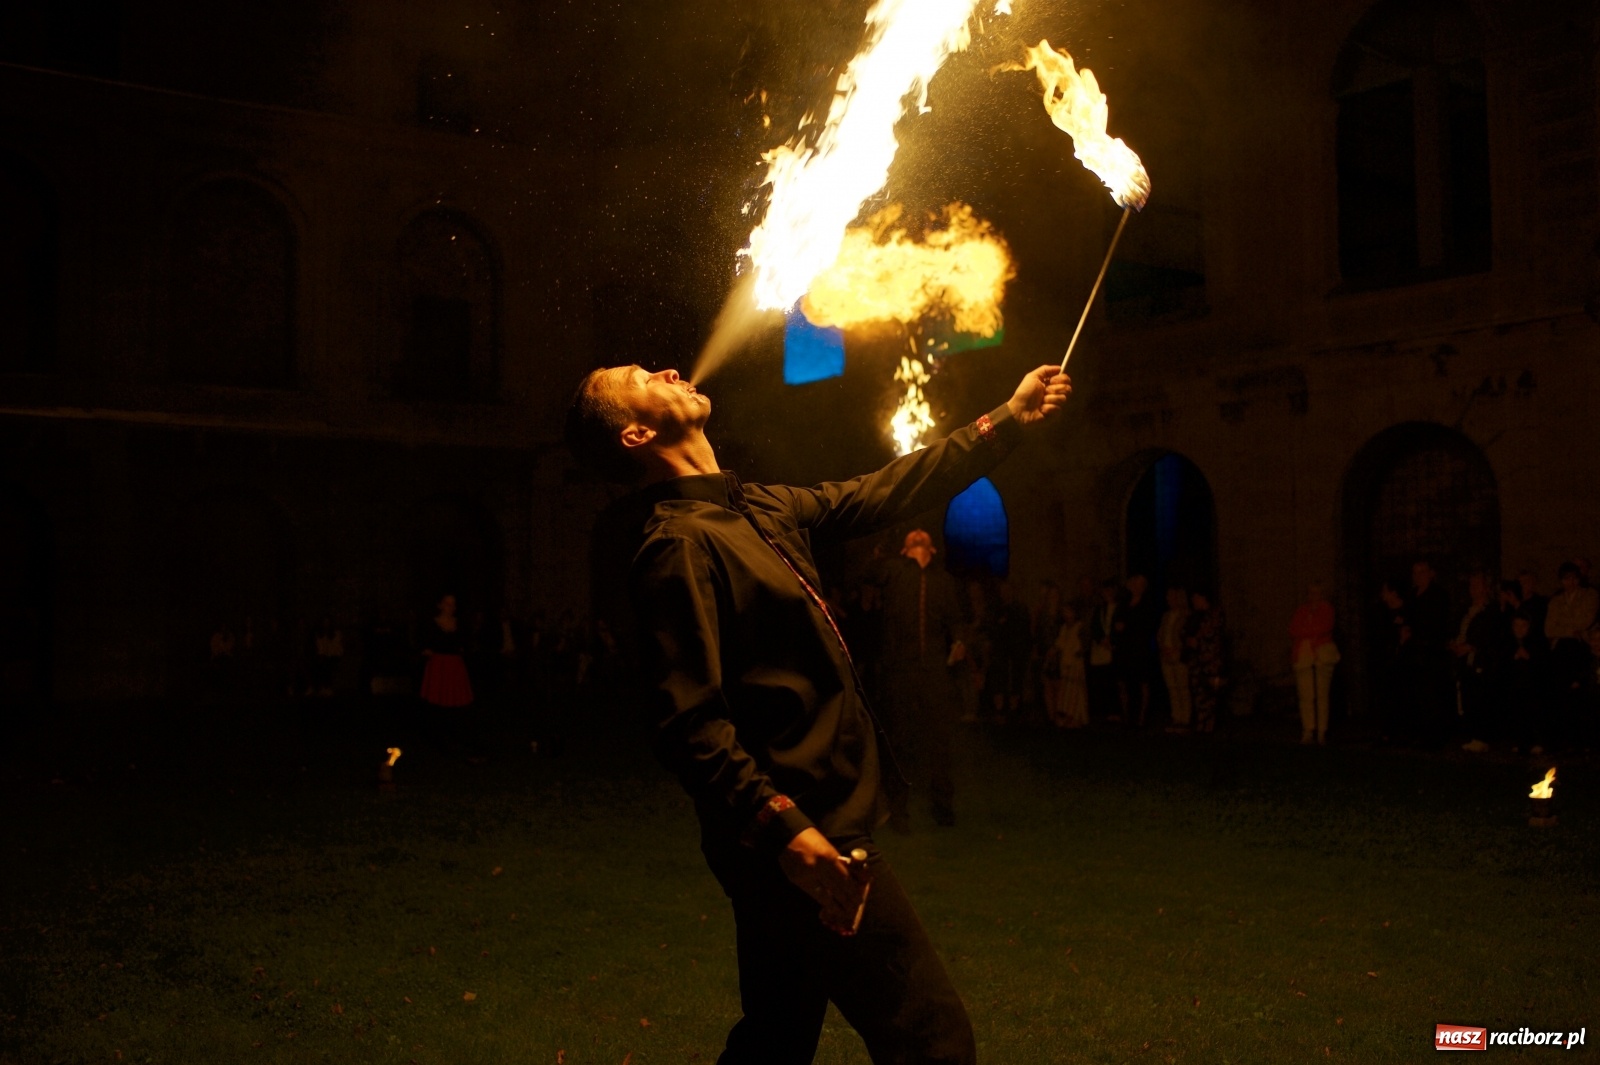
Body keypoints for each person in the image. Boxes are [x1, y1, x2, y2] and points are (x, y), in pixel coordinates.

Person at [566, 360, 1070, 1065]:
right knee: (933, 1037)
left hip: (801, 835)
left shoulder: (761, 508)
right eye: (642, 375)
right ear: (636, 432)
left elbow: (887, 490)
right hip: (807, 841)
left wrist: (1005, 420)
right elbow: (688, 723)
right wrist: (787, 830)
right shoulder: (676, 546)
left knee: (776, 1038)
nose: (671, 368)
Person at [877, 529, 964, 831]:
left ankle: (943, 807)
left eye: (922, 534)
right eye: (911, 536)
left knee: (939, 741)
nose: (916, 534)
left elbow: (955, 620)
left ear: (933, 549)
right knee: (900, 741)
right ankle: (897, 811)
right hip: (901, 670)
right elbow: (871, 572)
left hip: (935, 671)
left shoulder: (944, 581)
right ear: (904, 549)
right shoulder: (894, 573)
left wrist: (959, 642)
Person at [1450, 574, 1502, 752]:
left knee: (1481, 697)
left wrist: (1471, 646)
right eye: (1471, 585)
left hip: (1482, 661)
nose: (1473, 588)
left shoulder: (1491, 611)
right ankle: (1473, 734)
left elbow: (1490, 636)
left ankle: (1483, 736)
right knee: (1468, 695)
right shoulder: (1466, 610)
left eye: (1477, 585)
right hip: (1465, 661)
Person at [1289, 582, 1338, 745]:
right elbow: (1293, 629)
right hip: (1304, 654)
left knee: (1322, 694)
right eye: (1310, 593)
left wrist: (1308, 632)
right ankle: (1308, 729)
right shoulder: (1302, 611)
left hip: (1322, 654)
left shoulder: (1327, 610)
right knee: (1306, 695)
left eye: (1316, 593)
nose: (1313, 597)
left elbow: (1325, 626)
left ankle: (1322, 730)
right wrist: (1311, 632)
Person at [420, 594, 474, 712]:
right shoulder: (432, 624)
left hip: (455, 665)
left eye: (453, 604)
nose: (452, 607)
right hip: (438, 666)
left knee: (455, 702)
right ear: (440, 605)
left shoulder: (460, 624)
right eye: (448, 604)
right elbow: (424, 643)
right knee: (437, 702)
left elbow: (464, 643)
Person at [1185, 590, 1226, 733]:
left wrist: (1199, 641)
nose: (1194, 602)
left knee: (1210, 692)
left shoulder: (1214, 615)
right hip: (1196, 661)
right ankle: (1201, 723)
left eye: (1196, 598)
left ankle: (1211, 724)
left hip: (1210, 662)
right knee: (1198, 692)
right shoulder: (1194, 616)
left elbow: (1212, 635)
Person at [1086, 579, 1121, 721]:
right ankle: (1102, 710)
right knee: (1101, 680)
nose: (1107, 593)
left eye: (1109, 591)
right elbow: (1094, 627)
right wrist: (1102, 640)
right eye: (1105, 591)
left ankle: (1115, 711)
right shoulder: (1099, 609)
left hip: (1115, 649)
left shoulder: (1120, 608)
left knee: (1113, 680)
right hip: (1102, 648)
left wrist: (1112, 641)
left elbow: (1121, 627)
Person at [1157, 585, 1191, 731]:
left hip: (1178, 655)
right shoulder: (1166, 616)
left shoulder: (1186, 615)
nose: (1168, 599)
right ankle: (1176, 716)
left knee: (1183, 687)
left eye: (1171, 596)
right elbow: (1160, 635)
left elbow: (1186, 635)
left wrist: (1178, 649)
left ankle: (1186, 717)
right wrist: (1163, 648)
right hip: (1166, 655)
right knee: (1172, 687)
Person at [1051, 603, 1089, 728]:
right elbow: (1060, 643)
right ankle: (1067, 716)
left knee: (1075, 691)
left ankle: (1075, 717)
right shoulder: (1064, 628)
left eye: (1069, 612)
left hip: (1075, 664)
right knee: (1066, 692)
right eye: (1065, 612)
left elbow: (1084, 644)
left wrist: (1079, 652)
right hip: (1065, 663)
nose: (1067, 615)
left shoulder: (1080, 627)